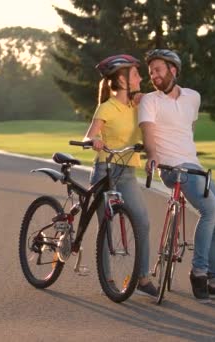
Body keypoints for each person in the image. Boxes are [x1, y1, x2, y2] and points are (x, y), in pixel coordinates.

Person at [138, 49, 215, 302]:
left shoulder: (192, 98)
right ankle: (199, 274)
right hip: (172, 168)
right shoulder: (150, 100)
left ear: (173, 70)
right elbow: (148, 132)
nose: (153, 75)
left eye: (158, 70)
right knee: (211, 212)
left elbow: (189, 129)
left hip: (194, 167)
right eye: (151, 71)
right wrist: (153, 155)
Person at [84, 54, 158, 297]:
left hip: (126, 172)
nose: (141, 77)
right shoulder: (106, 107)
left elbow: (161, 103)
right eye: (135, 73)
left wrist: (143, 98)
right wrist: (94, 140)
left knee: (142, 221)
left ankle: (143, 278)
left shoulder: (138, 104)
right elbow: (90, 134)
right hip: (105, 170)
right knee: (107, 225)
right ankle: (108, 278)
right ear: (121, 79)